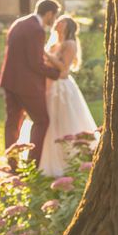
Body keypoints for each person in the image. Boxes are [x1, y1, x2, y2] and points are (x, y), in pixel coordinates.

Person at [0, 0, 63, 170]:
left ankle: (13, 165)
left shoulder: (18, 23)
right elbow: (35, 63)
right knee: (42, 120)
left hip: (9, 81)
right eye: (54, 16)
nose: (54, 20)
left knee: (12, 122)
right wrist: (56, 73)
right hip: (27, 85)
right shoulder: (36, 29)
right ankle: (32, 165)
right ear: (49, 13)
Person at [37, 15, 98, 176]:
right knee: (49, 121)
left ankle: (70, 159)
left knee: (63, 120)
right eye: (58, 20)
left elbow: (64, 69)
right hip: (49, 85)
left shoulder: (69, 44)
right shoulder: (54, 43)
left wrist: (44, 53)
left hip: (61, 87)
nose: (58, 22)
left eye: (62, 21)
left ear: (68, 26)